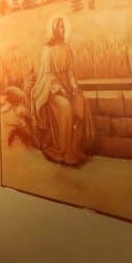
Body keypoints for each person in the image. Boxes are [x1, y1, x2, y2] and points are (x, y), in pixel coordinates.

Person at [30, 16, 94, 165]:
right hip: (51, 90)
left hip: (66, 86)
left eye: (64, 26)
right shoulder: (48, 50)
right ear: (54, 30)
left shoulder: (67, 48)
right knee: (65, 107)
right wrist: (59, 88)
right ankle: (63, 149)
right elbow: (47, 75)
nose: (63, 29)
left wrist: (73, 85)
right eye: (60, 27)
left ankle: (75, 147)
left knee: (79, 101)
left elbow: (70, 71)